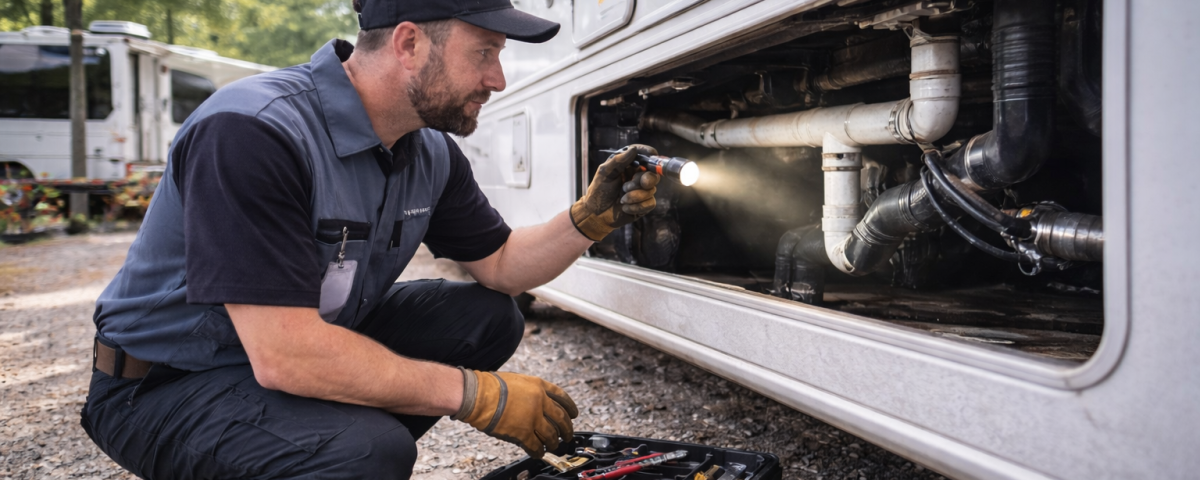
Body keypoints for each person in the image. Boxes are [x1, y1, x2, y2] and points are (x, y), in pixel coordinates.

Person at [79, 0, 662, 477]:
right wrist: (476, 394)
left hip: (284, 356)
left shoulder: (428, 150)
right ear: (409, 44)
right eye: (484, 52)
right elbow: (285, 354)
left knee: (489, 315)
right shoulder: (252, 131)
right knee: (366, 451)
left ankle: (311, 448)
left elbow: (503, 264)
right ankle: (311, 455)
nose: (498, 79)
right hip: (163, 387)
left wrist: (587, 219)